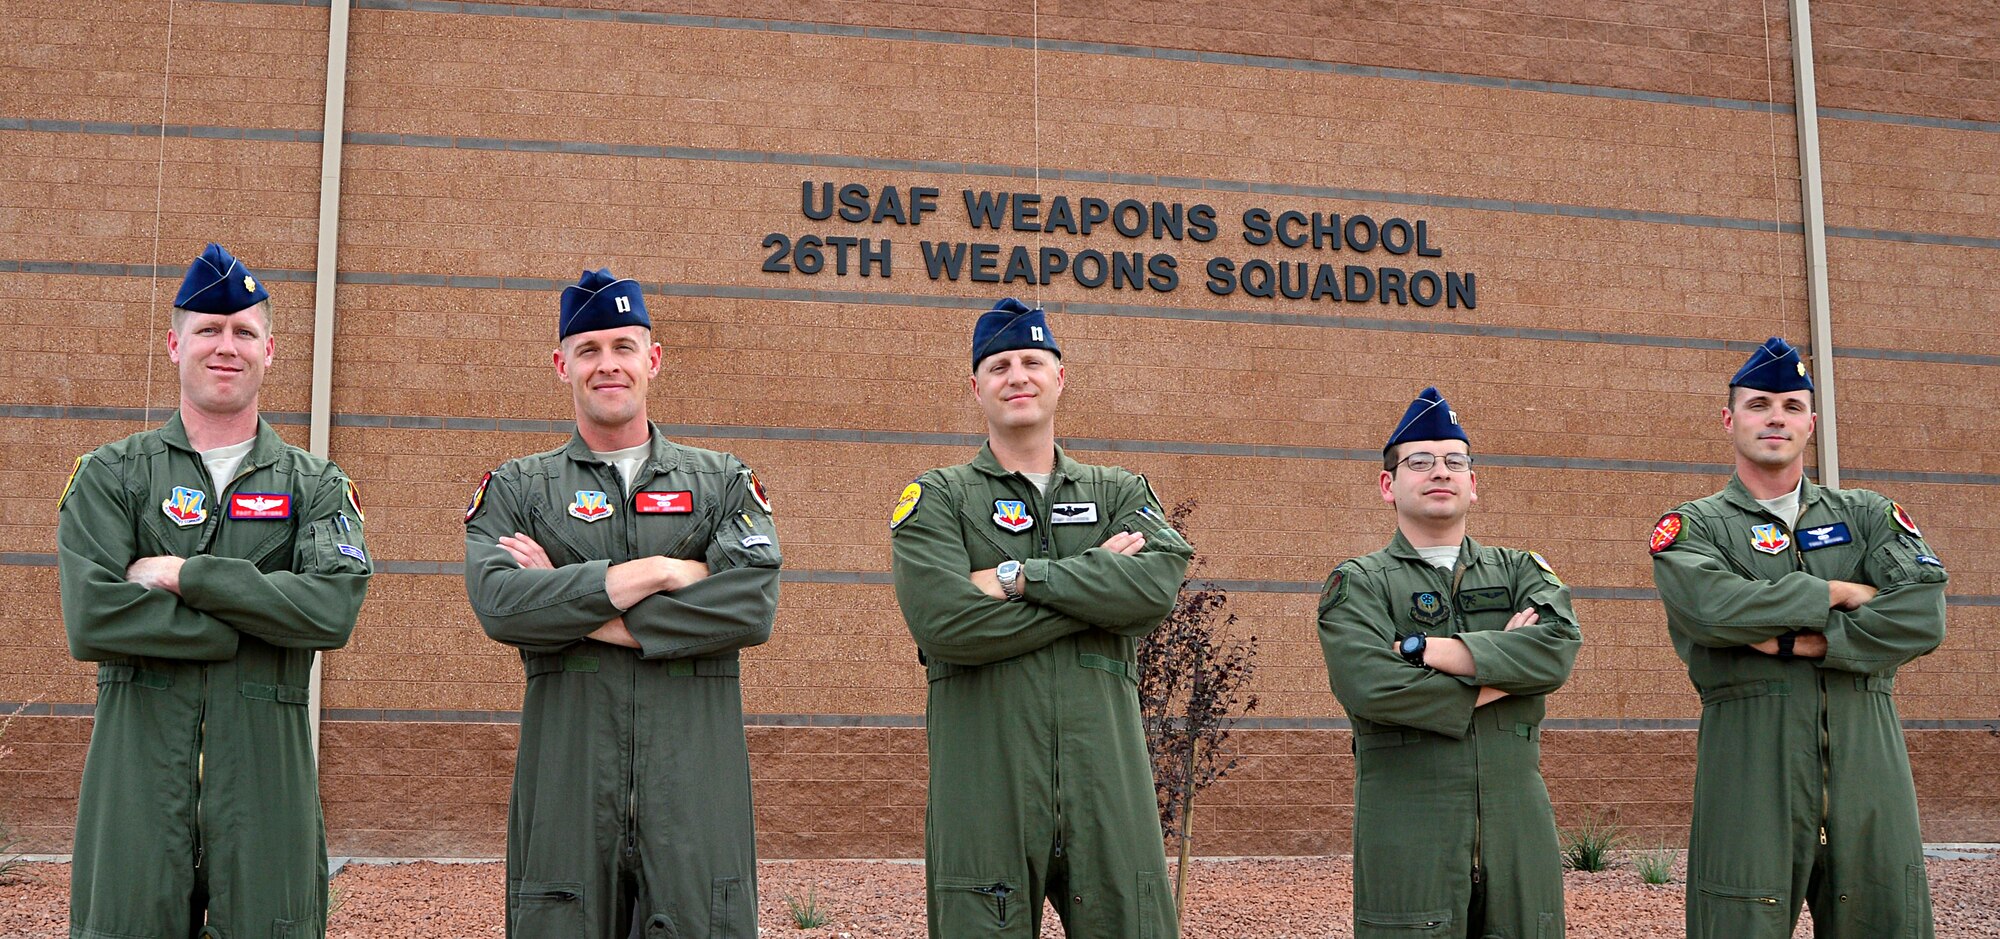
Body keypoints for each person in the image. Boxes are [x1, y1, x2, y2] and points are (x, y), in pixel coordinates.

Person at [56, 242, 372, 936]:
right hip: (136, 785)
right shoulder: (114, 477)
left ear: (270, 350)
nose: (225, 346)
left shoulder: (314, 485)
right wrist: (250, 618)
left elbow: (333, 607)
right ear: (175, 344)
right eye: (208, 329)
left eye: (243, 331)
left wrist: (184, 574)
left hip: (268, 790)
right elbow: (92, 616)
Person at [463, 268, 780, 938]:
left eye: (622, 347)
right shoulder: (520, 488)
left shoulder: (722, 481)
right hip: (568, 795)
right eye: (589, 350)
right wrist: (661, 570)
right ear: (562, 365)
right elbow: (500, 603)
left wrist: (576, 604)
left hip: (695, 796)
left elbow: (750, 602)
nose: (607, 364)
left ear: (652, 359)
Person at [889, 298, 1192, 937]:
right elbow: (946, 625)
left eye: (1033, 360)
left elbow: (1153, 590)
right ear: (976, 387)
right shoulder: (939, 497)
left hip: (1105, 780)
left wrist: (1018, 576)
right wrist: (1092, 598)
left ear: (1061, 376)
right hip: (985, 780)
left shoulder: (1120, 492)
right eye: (999, 365)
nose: (1017, 376)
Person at [1650, 337, 1946, 938]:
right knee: (1738, 920)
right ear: (1729, 419)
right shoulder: (1695, 527)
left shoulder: (1867, 514)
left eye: (1790, 405)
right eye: (1759, 404)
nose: (1775, 417)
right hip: (1748, 754)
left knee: (1886, 917)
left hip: (1869, 750)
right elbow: (1714, 611)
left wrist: (1803, 642)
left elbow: (1921, 614)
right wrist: (1841, 592)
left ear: (1812, 421)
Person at [1316, 386, 1580, 939]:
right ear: (1389, 485)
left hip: (1518, 823)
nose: (1440, 472)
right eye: (1420, 462)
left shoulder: (1520, 571)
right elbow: (1371, 686)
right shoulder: (1358, 582)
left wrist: (1423, 650)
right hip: (1409, 826)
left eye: (1454, 462)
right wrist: (1504, 676)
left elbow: (1554, 653)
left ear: (1473, 484)